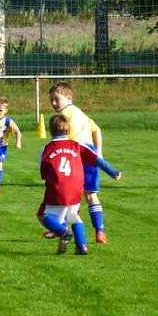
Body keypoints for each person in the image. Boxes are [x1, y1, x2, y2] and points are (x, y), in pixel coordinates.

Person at [38, 114, 121, 256]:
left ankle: (63, 232)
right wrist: (113, 172)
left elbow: (43, 173)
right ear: (69, 131)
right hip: (76, 187)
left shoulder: (46, 149)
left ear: (51, 131)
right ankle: (82, 246)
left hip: (57, 187)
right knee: (74, 215)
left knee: (42, 215)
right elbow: (97, 159)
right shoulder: (77, 145)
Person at [46, 81, 110, 244]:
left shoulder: (65, 115)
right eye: (51, 100)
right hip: (89, 154)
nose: (53, 103)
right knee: (91, 195)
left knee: (67, 194)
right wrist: (98, 151)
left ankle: (60, 228)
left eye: (56, 99)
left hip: (76, 157)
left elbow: (66, 141)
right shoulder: (80, 113)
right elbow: (96, 130)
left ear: (69, 97)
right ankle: (100, 231)